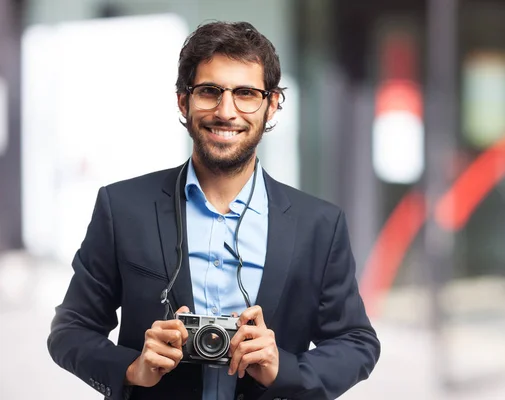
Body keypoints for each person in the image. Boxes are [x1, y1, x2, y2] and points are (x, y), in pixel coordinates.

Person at [47, 20, 380, 400]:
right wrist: (131, 369)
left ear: (271, 105)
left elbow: (357, 343)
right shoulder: (122, 207)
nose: (226, 111)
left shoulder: (320, 225)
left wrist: (282, 369)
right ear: (182, 100)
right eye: (209, 91)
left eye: (246, 93)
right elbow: (70, 329)